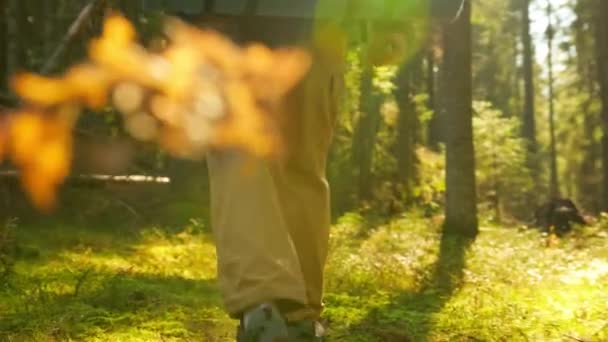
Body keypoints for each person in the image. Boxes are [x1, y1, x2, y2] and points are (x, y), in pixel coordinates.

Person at [142, 1, 464, 341]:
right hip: (314, 22)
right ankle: (298, 316)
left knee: (237, 154)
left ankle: (264, 302)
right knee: (299, 168)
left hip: (224, 18)